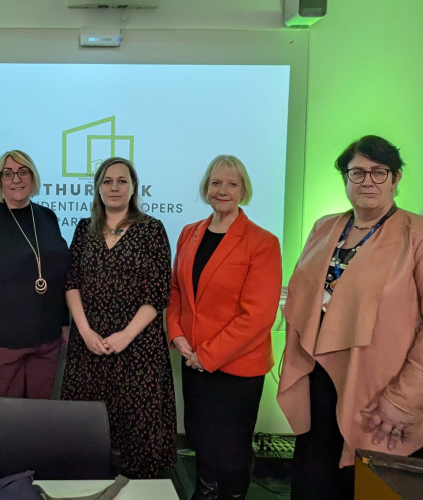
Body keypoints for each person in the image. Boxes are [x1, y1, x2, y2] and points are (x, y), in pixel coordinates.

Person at [277, 135, 423, 499]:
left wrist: (402, 399)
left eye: (380, 172)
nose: (368, 181)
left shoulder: (422, 235)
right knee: (313, 486)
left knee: (367, 489)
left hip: (382, 394)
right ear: (345, 179)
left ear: (396, 179)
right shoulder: (324, 227)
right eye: (358, 172)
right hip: (318, 384)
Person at [167, 155, 282, 499]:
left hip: (236, 368)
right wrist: (176, 333)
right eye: (216, 183)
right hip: (193, 361)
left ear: (243, 190)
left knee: (231, 452)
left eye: (232, 184)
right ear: (206, 188)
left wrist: (208, 354)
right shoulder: (189, 233)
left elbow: (258, 315)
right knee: (201, 440)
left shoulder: (263, 242)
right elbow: (176, 292)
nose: (223, 190)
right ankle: (204, 492)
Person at [60, 157, 176, 479]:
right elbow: (71, 283)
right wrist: (84, 332)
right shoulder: (85, 228)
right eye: (107, 181)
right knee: (86, 434)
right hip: (90, 345)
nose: (114, 187)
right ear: (98, 187)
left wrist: (126, 335)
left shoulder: (152, 229)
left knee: (138, 433)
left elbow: (158, 292)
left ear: (134, 187)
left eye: (122, 181)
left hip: (138, 346)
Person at [0, 150, 70, 442]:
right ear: (0, 181)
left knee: (37, 426)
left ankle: (32, 483)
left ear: (33, 177)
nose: (16, 179)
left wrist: (64, 323)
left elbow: (56, 278)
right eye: (8, 173)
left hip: (45, 345)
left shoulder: (47, 217)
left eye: (23, 172)